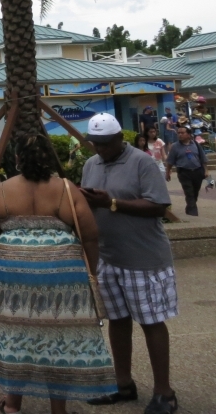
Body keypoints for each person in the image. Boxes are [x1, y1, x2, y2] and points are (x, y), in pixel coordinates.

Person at [0, 133, 116, 414]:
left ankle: (13, 405)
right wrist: (91, 270)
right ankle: (58, 410)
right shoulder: (66, 189)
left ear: (17, 159)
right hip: (62, 279)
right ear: (50, 159)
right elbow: (90, 235)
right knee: (60, 339)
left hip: (13, 279)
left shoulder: (3, 190)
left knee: (16, 335)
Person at [79, 113, 179, 414]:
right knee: (118, 321)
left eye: (105, 144)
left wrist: (111, 202)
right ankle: (123, 384)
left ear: (120, 138)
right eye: (95, 143)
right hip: (108, 257)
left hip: (143, 259)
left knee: (151, 322)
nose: (100, 149)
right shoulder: (90, 164)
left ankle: (165, 392)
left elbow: (159, 206)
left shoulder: (142, 162)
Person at [165, 124, 208, 216]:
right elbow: (170, 161)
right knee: (189, 192)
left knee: (195, 192)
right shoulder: (175, 146)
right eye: (178, 133)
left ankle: (189, 208)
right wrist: (168, 172)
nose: (180, 135)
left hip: (197, 171)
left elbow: (203, 158)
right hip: (184, 172)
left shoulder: (195, 144)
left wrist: (206, 170)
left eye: (182, 133)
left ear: (188, 134)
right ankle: (193, 212)